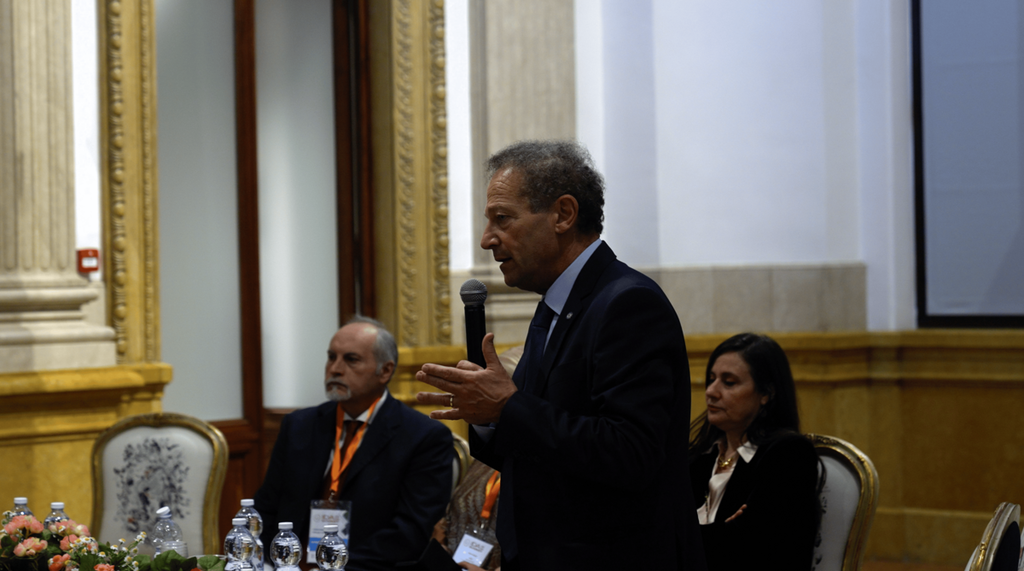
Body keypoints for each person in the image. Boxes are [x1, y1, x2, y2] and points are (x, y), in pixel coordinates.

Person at [416, 140, 707, 570]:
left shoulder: (628, 304)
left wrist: (508, 407)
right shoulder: (554, 305)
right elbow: (534, 450)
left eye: (502, 218)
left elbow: (631, 453)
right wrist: (488, 416)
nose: (486, 239)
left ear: (563, 215)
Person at [254, 317, 454, 571]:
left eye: (351, 359)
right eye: (331, 357)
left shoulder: (423, 437)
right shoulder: (299, 426)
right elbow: (266, 507)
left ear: (385, 371)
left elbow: (410, 533)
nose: (335, 369)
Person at [688, 333, 823, 571]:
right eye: (711, 379)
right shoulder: (701, 456)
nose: (711, 391)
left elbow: (753, 552)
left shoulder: (789, 455)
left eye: (729, 383)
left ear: (766, 394)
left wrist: (683, 535)